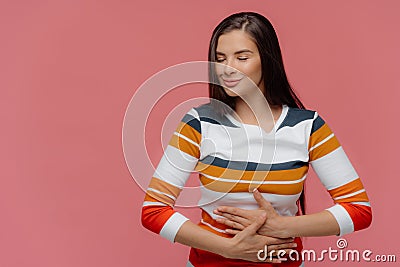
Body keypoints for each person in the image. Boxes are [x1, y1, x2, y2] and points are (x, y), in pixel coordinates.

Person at [141, 11, 372, 266]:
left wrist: (282, 226)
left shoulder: (308, 127)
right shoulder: (199, 123)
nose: (228, 69)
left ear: (267, 60)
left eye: (242, 57)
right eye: (220, 59)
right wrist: (229, 249)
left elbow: (358, 210)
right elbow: (154, 211)